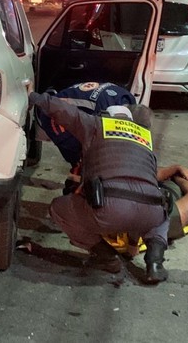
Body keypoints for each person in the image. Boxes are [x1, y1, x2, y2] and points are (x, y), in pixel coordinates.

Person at [29, 91, 170, 283]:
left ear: (107, 116)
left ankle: (106, 257)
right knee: (160, 219)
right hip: (151, 208)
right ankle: (154, 263)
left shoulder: (96, 125)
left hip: (109, 206)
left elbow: (63, 110)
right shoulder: (145, 138)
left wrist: (34, 96)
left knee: (59, 208)